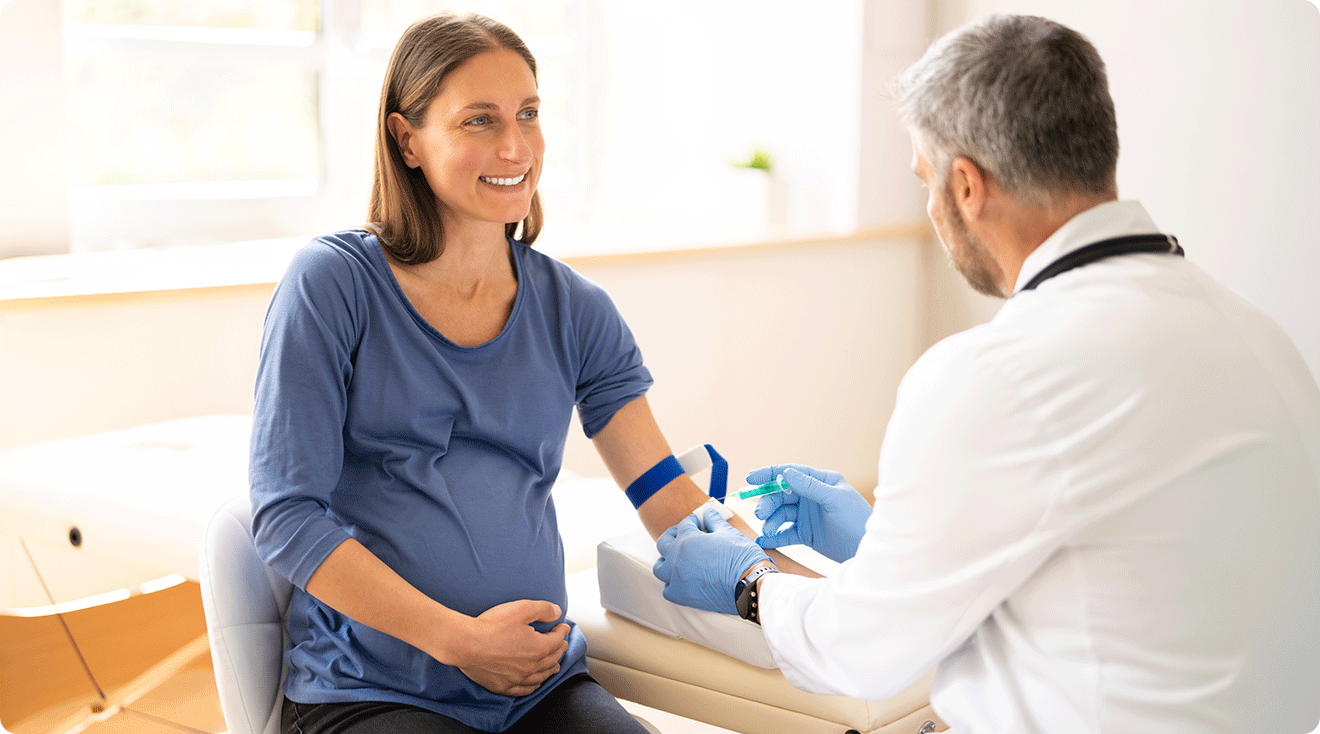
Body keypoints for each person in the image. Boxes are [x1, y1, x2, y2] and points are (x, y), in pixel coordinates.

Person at [652, 13, 1320, 733]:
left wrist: (749, 581)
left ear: (965, 186)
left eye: (924, 180)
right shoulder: (1260, 338)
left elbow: (862, 654)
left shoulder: (996, 373)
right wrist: (887, 542)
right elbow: (1134, 572)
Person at [248, 12, 806, 734]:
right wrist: (462, 642)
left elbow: (667, 494)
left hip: (535, 687)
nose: (515, 146)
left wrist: (796, 591)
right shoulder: (333, 285)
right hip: (369, 691)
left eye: (529, 114)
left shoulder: (573, 308)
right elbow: (285, 517)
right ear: (406, 137)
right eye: (479, 120)